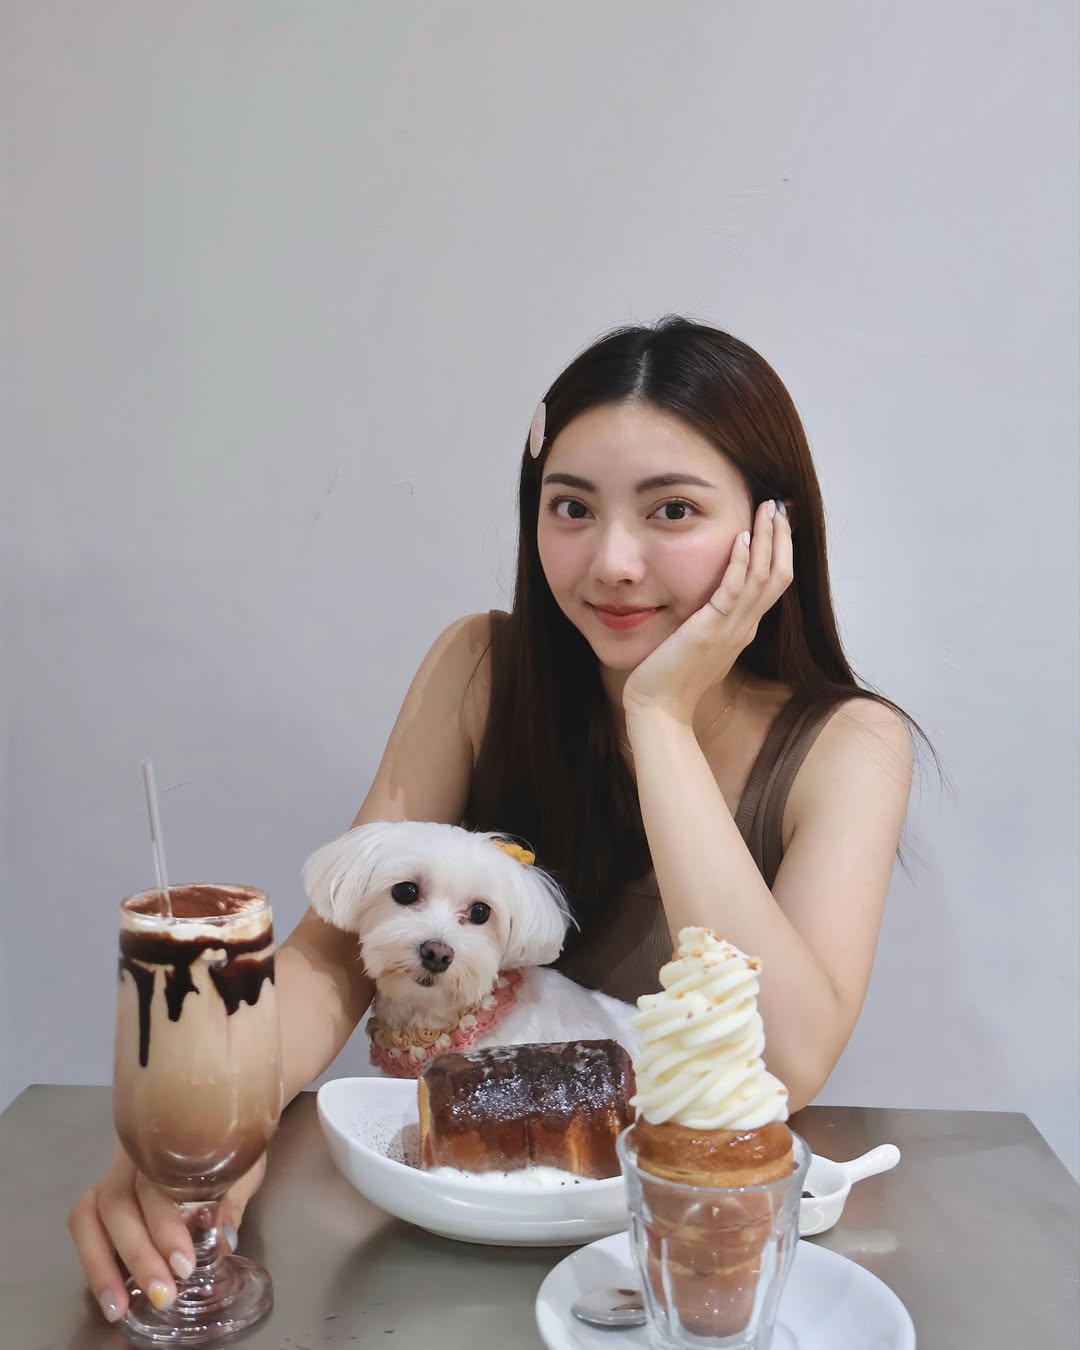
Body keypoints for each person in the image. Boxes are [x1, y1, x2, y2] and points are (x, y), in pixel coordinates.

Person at [70, 317, 918, 1323]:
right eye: (572, 507)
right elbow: (331, 955)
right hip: (446, 1241)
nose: (612, 561)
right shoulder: (478, 667)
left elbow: (783, 1061)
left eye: (673, 510)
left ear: (772, 530)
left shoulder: (849, 745)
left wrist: (659, 716)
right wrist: (222, 1132)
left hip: (679, 1268)